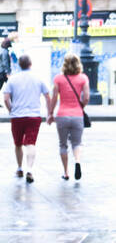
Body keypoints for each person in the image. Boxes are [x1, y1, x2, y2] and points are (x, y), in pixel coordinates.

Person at [1, 54, 50, 184]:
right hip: (34, 116)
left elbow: (6, 98)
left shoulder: (13, 79)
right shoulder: (38, 78)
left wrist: (11, 109)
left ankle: (19, 168)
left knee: (18, 143)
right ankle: (30, 169)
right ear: (30, 64)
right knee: (30, 143)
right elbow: (47, 96)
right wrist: (49, 112)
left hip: (17, 116)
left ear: (19, 65)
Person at [49, 52, 90, 181]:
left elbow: (54, 98)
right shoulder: (83, 78)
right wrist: (81, 106)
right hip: (77, 115)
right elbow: (87, 97)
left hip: (62, 115)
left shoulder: (58, 79)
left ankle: (66, 172)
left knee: (63, 145)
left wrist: (50, 113)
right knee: (77, 143)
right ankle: (77, 162)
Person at [0, 37, 14, 107]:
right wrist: (8, 72)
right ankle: (13, 102)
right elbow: (5, 63)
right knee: (10, 86)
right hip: (3, 72)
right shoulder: (5, 52)